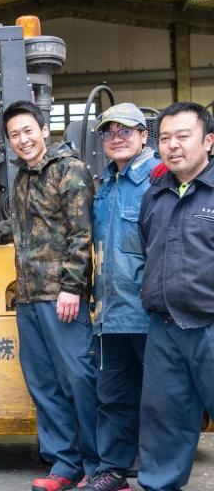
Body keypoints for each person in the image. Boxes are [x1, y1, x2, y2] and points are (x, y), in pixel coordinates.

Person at [0, 100, 98, 491]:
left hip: (61, 298)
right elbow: (23, 224)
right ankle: (64, 464)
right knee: (43, 383)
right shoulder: (24, 176)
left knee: (79, 379)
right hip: (28, 297)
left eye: (27, 131)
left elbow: (81, 233)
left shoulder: (69, 170)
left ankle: (97, 463)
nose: (22, 140)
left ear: (43, 129)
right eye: (14, 135)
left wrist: (72, 288)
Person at [78, 104, 159, 491]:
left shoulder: (158, 180)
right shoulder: (106, 185)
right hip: (110, 315)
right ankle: (113, 470)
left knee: (159, 399)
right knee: (112, 397)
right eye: (109, 132)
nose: (116, 138)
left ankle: (158, 473)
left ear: (144, 135)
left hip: (149, 314)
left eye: (125, 131)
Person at [137, 102, 214, 491]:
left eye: (183, 136)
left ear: (209, 141)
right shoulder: (155, 194)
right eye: (165, 138)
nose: (172, 145)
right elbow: (147, 247)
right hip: (165, 328)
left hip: (210, 327)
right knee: (164, 421)